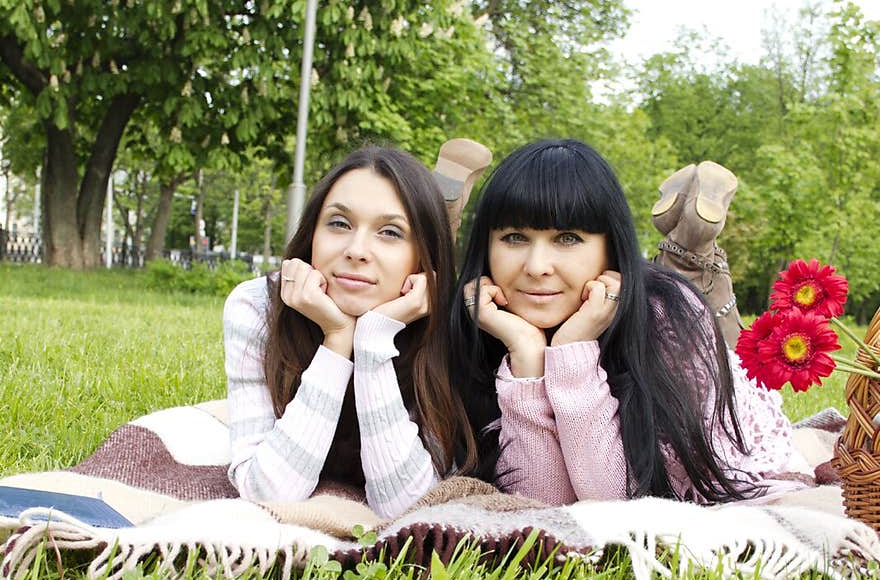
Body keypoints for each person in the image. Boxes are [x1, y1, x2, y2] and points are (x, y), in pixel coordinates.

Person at [450, 137, 815, 506]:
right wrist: (527, 357)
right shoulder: (480, 322)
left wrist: (572, 350)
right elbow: (543, 507)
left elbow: (613, 504)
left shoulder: (667, 318)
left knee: (715, 324)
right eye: (514, 238)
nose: (536, 266)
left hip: (680, 337)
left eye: (567, 238)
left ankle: (694, 255)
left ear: (610, 247)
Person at [223, 144, 476, 517]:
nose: (356, 250)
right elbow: (269, 493)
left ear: (423, 256)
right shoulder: (258, 306)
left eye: (390, 232)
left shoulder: (450, 324)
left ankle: (448, 200)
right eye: (339, 224)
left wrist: (374, 340)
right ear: (312, 235)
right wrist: (337, 339)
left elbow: (409, 505)